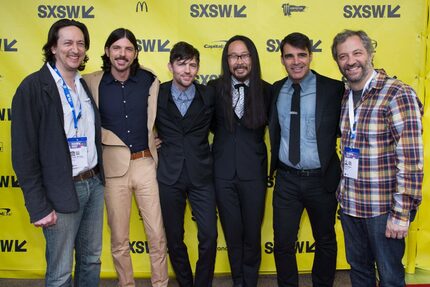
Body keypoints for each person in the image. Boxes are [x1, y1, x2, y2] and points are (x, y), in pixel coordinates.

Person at [11, 19, 104, 286]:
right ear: (53, 47)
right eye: (68, 43)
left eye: (80, 44)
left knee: (91, 260)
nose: (75, 49)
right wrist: (38, 206)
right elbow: (23, 154)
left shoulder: (84, 86)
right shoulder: (32, 88)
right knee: (61, 270)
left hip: (94, 185)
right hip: (60, 191)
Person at [331, 30, 423, 287]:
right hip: (351, 206)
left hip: (383, 210)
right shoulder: (346, 96)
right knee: (359, 273)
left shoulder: (397, 93)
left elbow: (411, 159)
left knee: (390, 276)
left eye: (357, 53)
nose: (351, 61)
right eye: (343, 56)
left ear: (370, 53)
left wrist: (401, 213)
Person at [83, 28, 168, 287]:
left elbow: (162, 114)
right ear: (108, 52)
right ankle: (126, 284)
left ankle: (160, 283)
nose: (122, 54)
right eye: (117, 48)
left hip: (145, 164)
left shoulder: (150, 80)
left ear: (135, 53)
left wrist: (159, 135)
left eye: (128, 49)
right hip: (111, 168)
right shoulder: (90, 83)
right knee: (119, 238)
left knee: (156, 234)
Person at [269, 32, 344, 287]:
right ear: (282, 60)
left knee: (324, 241)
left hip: (321, 181)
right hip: (287, 180)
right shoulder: (276, 89)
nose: (296, 61)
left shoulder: (333, 89)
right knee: (282, 244)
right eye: (289, 56)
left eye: (301, 55)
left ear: (310, 56)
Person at [208, 35, 272, 287]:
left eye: (244, 55)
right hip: (222, 173)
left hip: (254, 174)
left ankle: (250, 282)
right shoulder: (213, 89)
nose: (239, 61)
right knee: (232, 233)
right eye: (233, 56)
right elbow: (201, 123)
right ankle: (238, 282)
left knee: (252, 234)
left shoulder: (268, 90)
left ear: (253, 58)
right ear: (227, 61)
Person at [155, 41, 217, 287]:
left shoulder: (209, 95)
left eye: (193, 64)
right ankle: (185, 283)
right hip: (169, 175)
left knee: (210, 236)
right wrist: (151, 140)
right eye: (181, 64)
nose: (187, 70)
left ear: (198, 68)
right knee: (174, 237)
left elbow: (222, 128)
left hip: (202, 174)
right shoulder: (156, 94)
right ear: (170, 66)